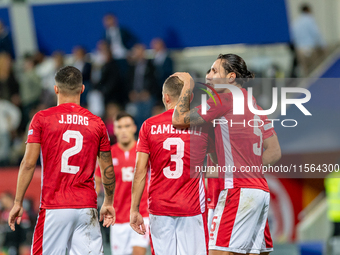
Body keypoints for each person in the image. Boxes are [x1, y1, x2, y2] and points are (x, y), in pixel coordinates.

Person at [172, 54, 281, 255]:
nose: (210, 75)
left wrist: (186, 88)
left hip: (238, 191)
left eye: (214, 71)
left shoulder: (224, 99)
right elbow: (274, 151)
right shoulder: (253, 104)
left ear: (231, 77)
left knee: (217, 252)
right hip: (259, 190)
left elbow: (179, 119)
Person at [8, 66, 116, 255]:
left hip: (54, 206)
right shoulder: (97, 123)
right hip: (86, 208)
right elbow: (107, 168)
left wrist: (17, 202)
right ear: (82, 89)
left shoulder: (42, 119)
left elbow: (28, 163)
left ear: (56, 89)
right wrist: (108, 201)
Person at [130, 76, 213, 255]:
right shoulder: (202, 126)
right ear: (189, 98)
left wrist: (134, 209)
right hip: (191, 207)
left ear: (165, 97)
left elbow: (140, 171)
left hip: (159, 207)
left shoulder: (148, 126)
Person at [95, 112, 149, 255]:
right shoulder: (108, 154)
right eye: (120, 127)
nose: (123, 130)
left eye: (127, 126)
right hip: (117, 217)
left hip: (141, 213)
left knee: (138, 251)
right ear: (115, 130)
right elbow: (97, 181)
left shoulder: (144, 151)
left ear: (134, 128)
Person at [291, 4, 326, 76]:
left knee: (306, 73)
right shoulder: (310, 20)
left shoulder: (296, 22)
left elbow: (293, 38)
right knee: (315, 71)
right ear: (308, 10)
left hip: (300, 50)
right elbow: (316, 33)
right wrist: (323, 46)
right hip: (310, 48)